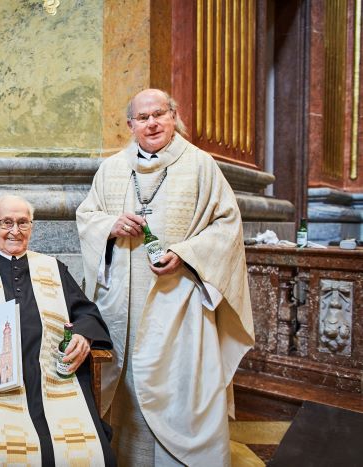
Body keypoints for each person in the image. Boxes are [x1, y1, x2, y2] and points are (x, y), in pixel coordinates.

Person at [76, 89, 255, 466]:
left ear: (174, 116)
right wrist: (110, 226)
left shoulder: (201, 165)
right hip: (123, 305)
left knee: (178, 385)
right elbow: (87, 217)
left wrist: (186, 254)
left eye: (159, 114)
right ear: (130, 125)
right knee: (126, 386)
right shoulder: (112, 168)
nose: (152, 123)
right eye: (143, 118)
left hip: (181, 301)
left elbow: (227, 226)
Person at [0, 195, 116, 466]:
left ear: (32, 226)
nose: (15, 231)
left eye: (22, 223)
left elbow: (86, 313)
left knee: (93, 452)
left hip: (54, 380)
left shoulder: (53, 268)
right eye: (6, 222)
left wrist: (82, 334)